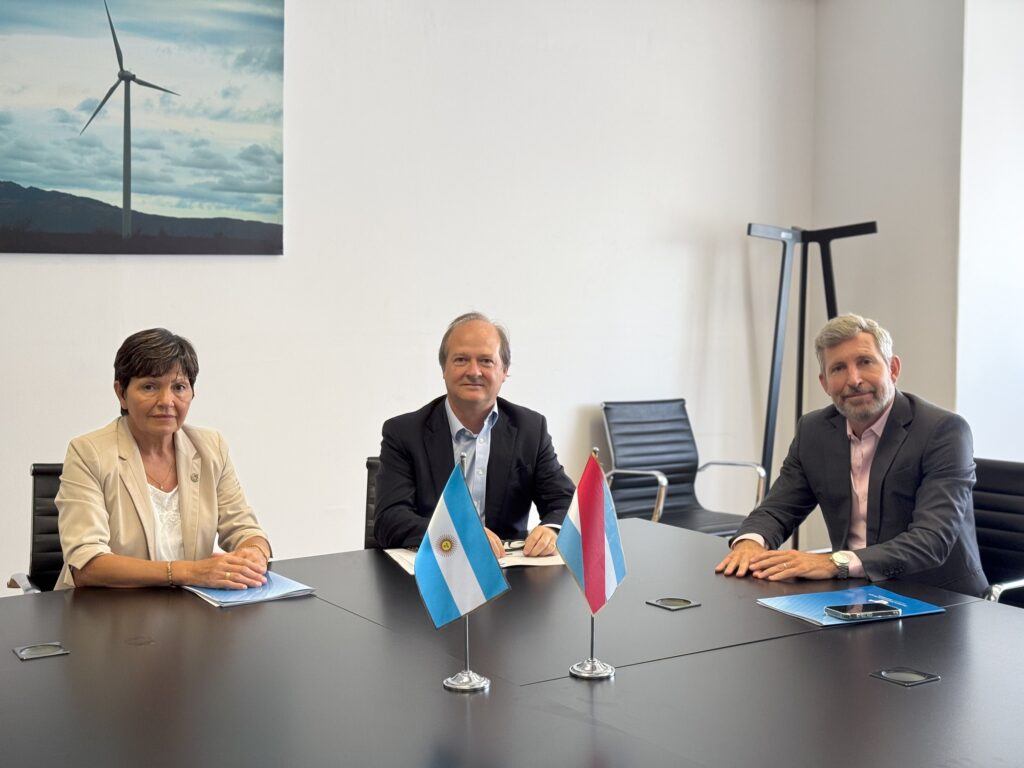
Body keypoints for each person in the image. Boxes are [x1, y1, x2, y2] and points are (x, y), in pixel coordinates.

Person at [715, 313, 988, 596]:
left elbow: (932, 540)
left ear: (893, 369)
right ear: (824, 383)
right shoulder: (814, 431)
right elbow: (778, 509)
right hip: (855, 593)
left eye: (865, 362)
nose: (854, 380)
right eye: (838, 369)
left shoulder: (942, 431)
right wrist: (750, 543)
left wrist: (834, 562)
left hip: (939, 598)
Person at [54, 328, 272, 590]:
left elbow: (244, 529)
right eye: (150, 386)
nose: (167, 401)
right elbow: (86, 564)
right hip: (109, 607)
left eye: (179, 387)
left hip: (189, 607)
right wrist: (189, 572)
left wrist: (255, 553)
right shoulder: (89, 452)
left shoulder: (210, 447)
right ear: (121, 393)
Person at [374, 312, 575, 559]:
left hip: (507, 572)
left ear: (504, 370)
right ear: (444, 369)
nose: (473, 371)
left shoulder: (530, 428)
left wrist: (552, 530)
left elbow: (565, 502)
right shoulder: (404, 432)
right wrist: (461, 533)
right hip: (435, 566)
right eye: (461, 360)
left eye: (486, 361)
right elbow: (389, 520)